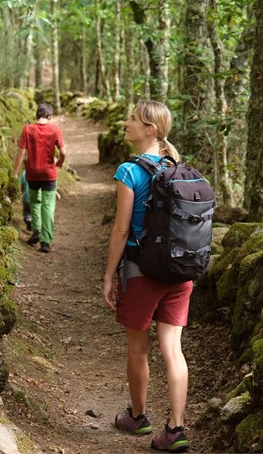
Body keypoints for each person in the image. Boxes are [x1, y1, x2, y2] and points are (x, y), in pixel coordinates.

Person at [102, 100, 191, 453]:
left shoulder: (129, 171)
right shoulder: (177, 166)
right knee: (173, 349)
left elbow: (121, 231)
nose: (125, 124)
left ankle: (138, 417)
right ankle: (176, 428)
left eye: (132, 120)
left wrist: (109, 275)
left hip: (141, 270)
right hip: (181, 271)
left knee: (138, 348)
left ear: (150, 130)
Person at [13, 103, 67, 253]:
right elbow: (63, 152)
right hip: (49, 174)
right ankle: (45, 241)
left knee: (35, 202)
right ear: (49, 116)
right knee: (48, 206)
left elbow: (21, 153)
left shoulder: (28, 129)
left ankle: (36, 230)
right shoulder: (54, 129)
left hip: (32, 174)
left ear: (37, 115)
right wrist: (60, 162)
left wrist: (15, 172)